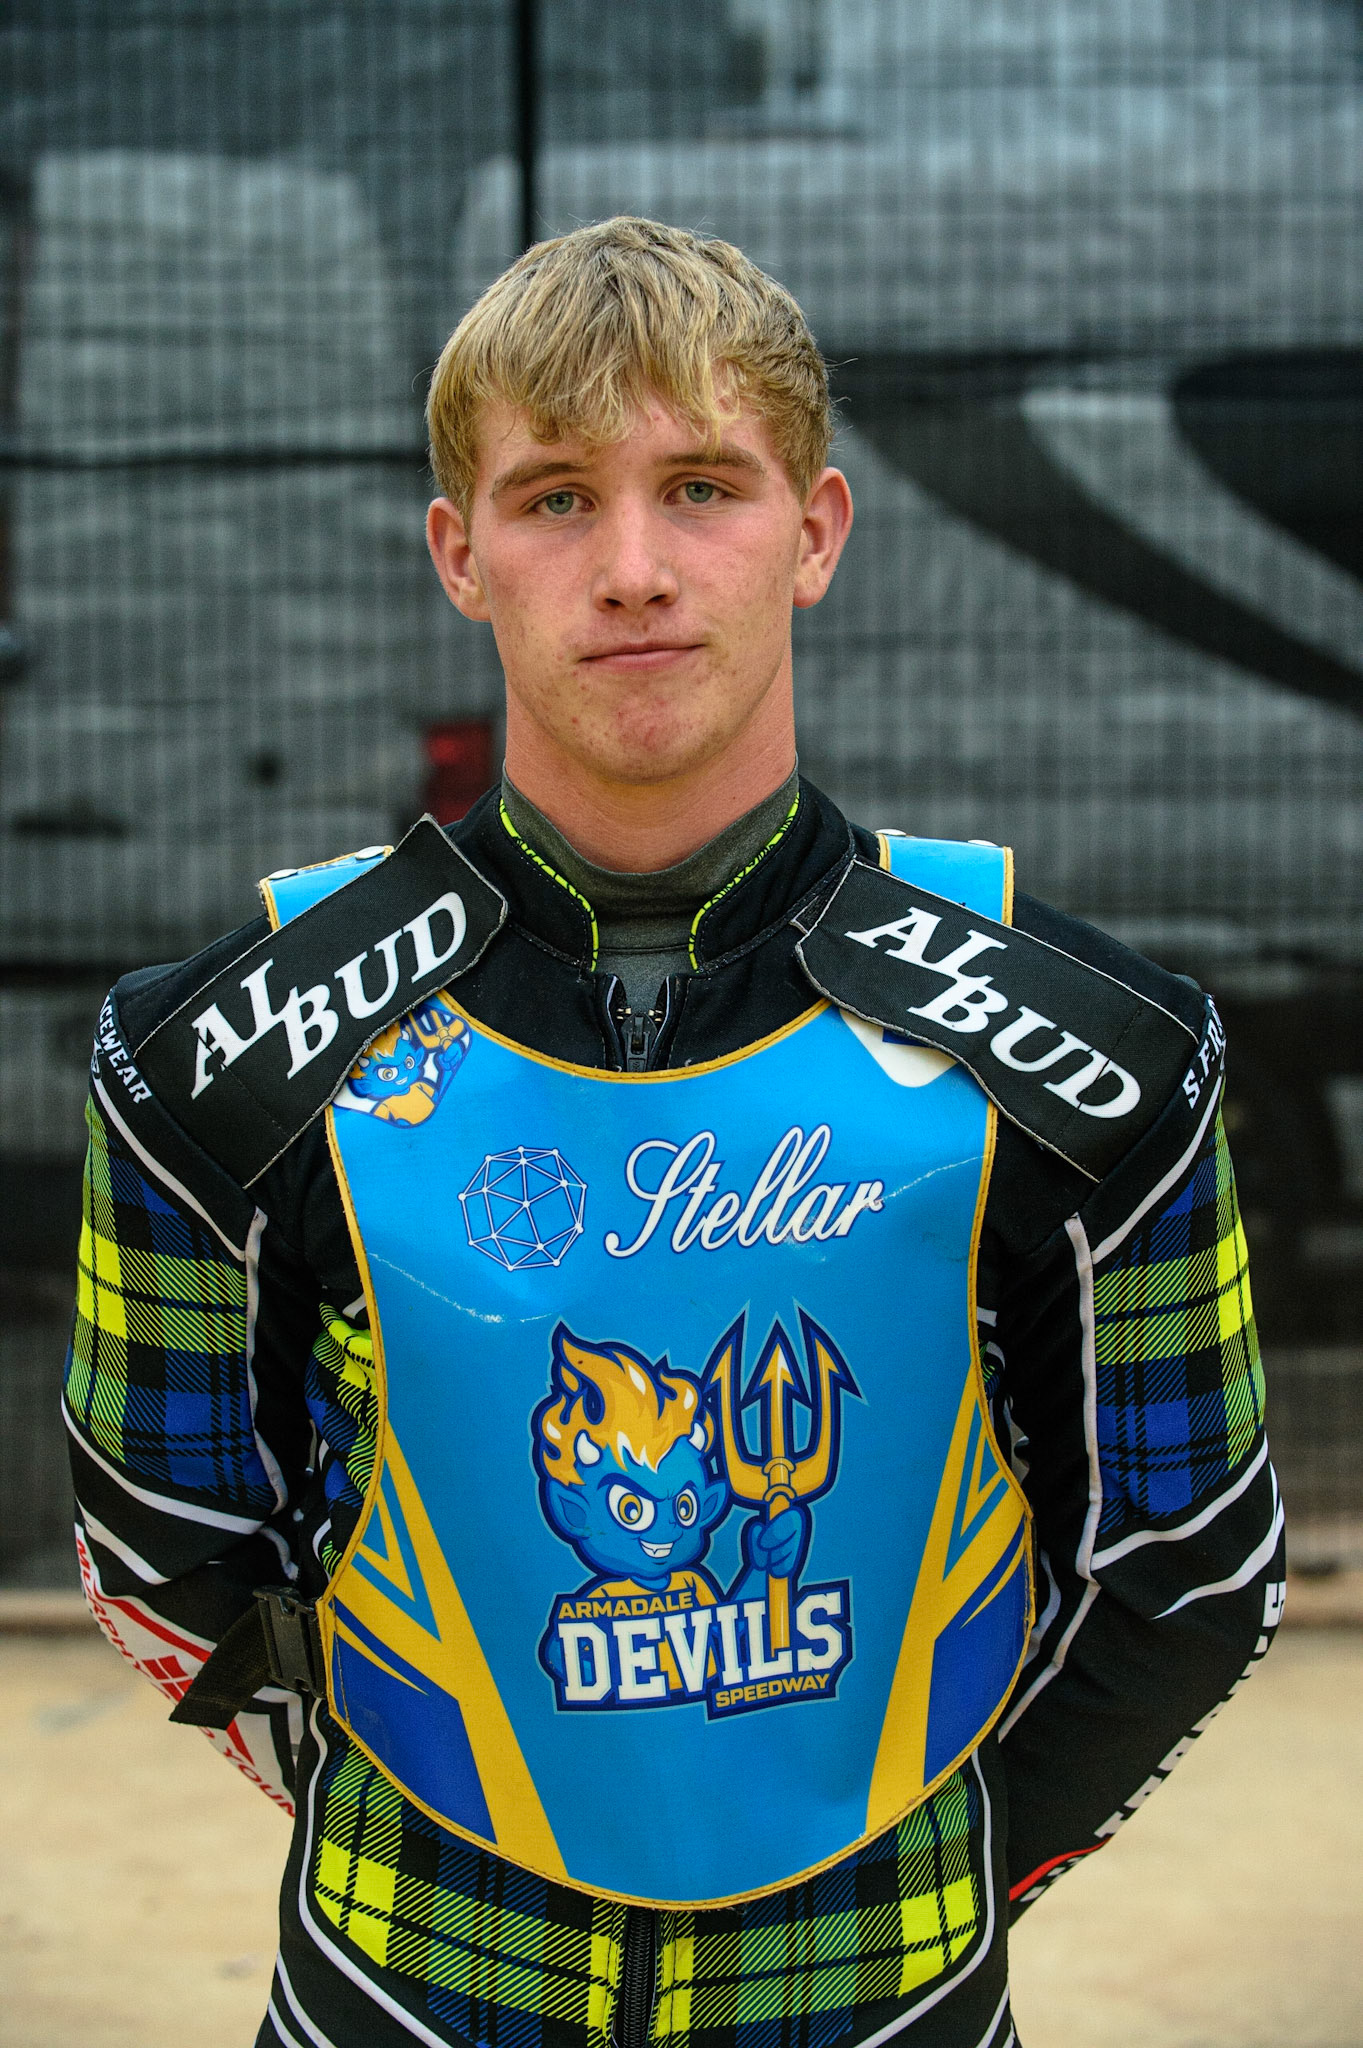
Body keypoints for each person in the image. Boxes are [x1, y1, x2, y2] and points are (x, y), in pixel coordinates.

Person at [66, 217, 1283, 2048]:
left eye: (701, 485)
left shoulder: (1092, 1052)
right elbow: (160, 1535)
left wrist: (920, 1867)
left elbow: (1193, 1569)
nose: (633, 569)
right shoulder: (212, 1060)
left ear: (815, 532)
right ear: (458, 556)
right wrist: (434, 1805)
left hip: (894, 1998)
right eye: (556, 499)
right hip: (397, 1989)